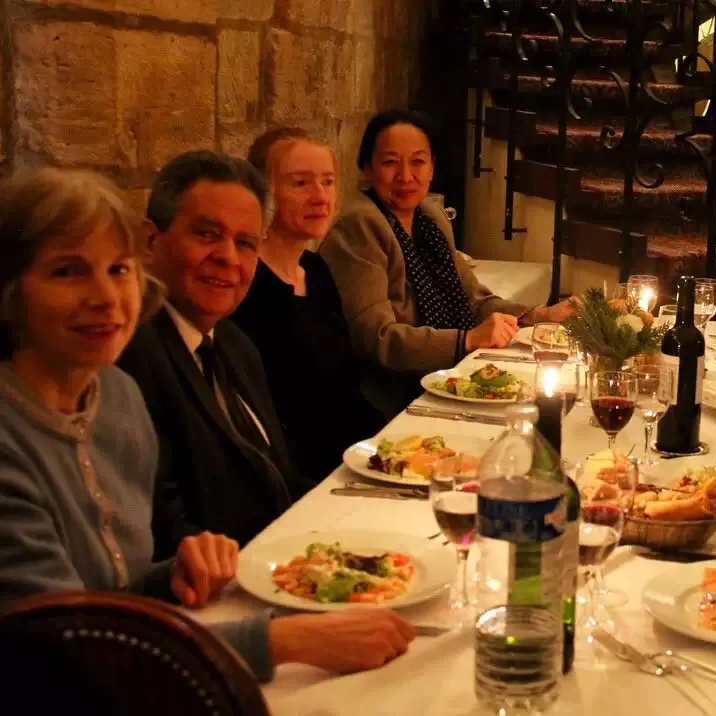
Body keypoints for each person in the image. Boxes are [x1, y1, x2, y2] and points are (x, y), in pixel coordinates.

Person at [0, 168, 417, 683]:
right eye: (67, 272)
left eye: (118, 269)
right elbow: (64, 649)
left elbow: (113, 587)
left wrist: (172, 573)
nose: (106, 297)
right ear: (9, 291)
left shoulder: (115, 398)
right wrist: (280, 641)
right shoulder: (16, 436)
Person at [117, 151, 313, 557]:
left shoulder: (236, 345)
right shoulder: (131, 353)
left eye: (245, 243)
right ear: (150, 242)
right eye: (207, 234)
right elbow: (164, 532)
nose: (228, 258)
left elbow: (280, 478)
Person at [319, 109, 577, 415]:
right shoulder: (360, 226)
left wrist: (539, 315)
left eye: (418, 161)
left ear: (432, 167)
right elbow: (378, 338)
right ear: (366, 168)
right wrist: (467, 340)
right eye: (390, 162)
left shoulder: (430, 218)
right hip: (392, 401)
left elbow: (474, 301)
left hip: (449, 379)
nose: (406, 176)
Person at [231, 127, 385, 482]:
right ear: (261, 192)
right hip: (297, 480)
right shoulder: (245, 283)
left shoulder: (315, 271)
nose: (320, 197)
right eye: (299, 183)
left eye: (328, 182)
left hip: (350, 462)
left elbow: (344, 389)